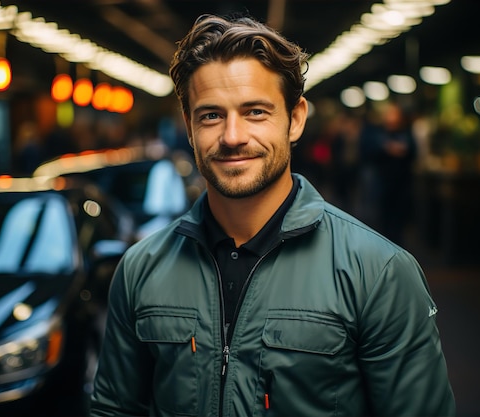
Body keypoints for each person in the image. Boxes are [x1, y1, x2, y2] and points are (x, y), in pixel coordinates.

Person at [90, 13, 455, 417]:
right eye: (211, 115)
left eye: (255, 112)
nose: (232, 136)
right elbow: (115, 409)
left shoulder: (379, 273)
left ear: (295, 119)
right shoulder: (141, 269)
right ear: (189, 129)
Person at [358, 101, 418, 247]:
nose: (392, 118)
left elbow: (414, 153)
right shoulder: (377, 132)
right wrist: (386, 149)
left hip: (401, 185)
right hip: (381, 184)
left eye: (395, 114)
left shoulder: (406, 133)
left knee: (398, 221)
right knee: (381, 218)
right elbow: (366, 152)